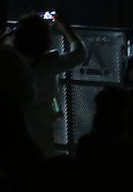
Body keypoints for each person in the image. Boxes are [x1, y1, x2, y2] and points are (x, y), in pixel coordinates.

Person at [11, 9, 87, 157]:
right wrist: (66, 28)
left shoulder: (10, 61)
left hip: (13, 128)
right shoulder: (50, 63)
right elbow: (79, 54)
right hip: (42, 129)